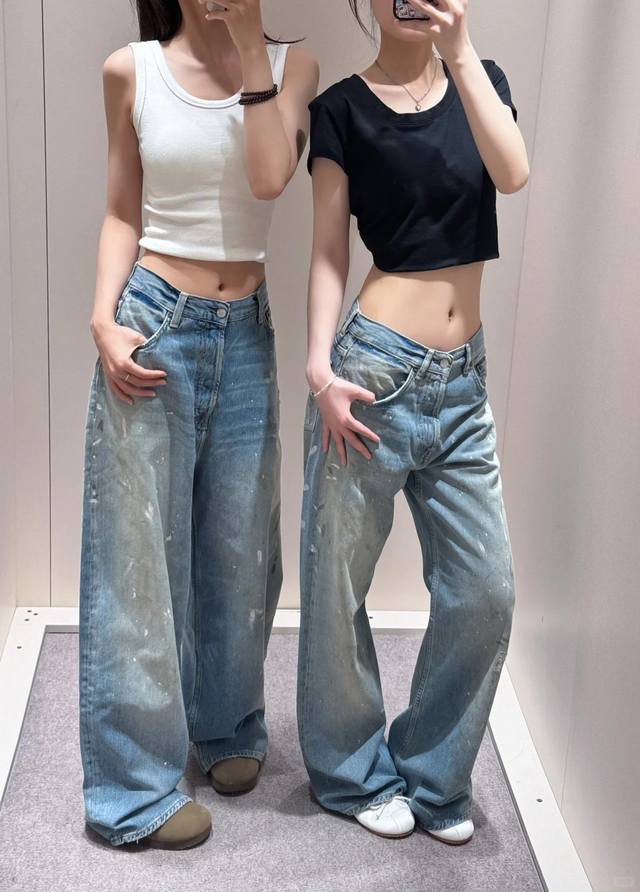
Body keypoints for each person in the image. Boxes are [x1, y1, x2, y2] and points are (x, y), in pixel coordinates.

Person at [78, 0, 318, 849]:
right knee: (136, 556)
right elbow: (122, 210)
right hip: (154, 322)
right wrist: (102, 318)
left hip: (246, 331)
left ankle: (226, 722)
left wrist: (250, 43)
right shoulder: (131, 70)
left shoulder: (293, 67)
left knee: (239, 547)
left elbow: (268, 179)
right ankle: (131, 791)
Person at [297, 0, 529, 845]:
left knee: (486, 590)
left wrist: (460, 52)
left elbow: (514, 173)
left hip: (464, 383)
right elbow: (329, 249)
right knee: (337, 587)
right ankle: (350, 775)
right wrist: (320, 369)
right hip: (372, 376)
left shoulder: (482, 80)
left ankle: (433, 774)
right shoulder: (340, 110)